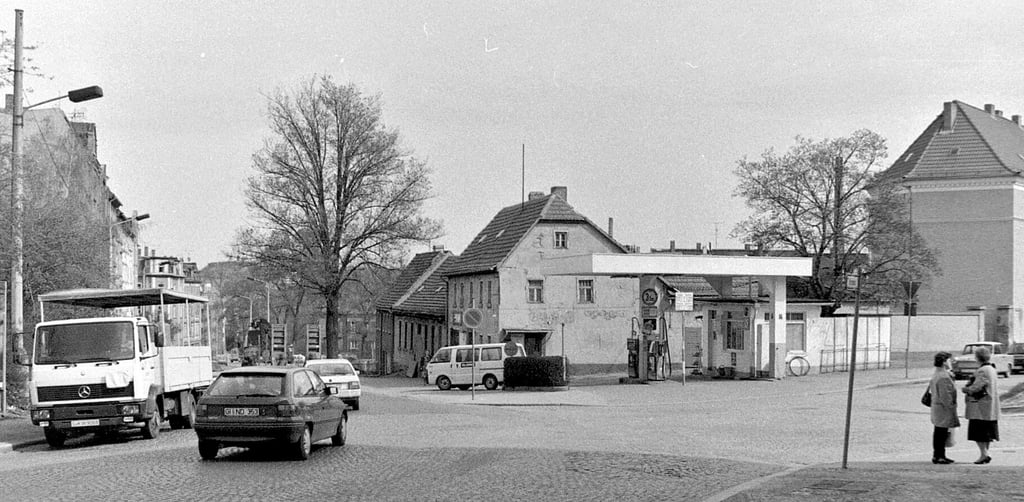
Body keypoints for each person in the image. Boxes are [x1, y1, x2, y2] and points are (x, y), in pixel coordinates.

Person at [963, 346, 1000, 464]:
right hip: (990, 404)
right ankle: (984, 453)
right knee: (987, 433)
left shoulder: (982, 370)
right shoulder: (992, 369)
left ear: (977, 357)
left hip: (980, 406)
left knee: (978, 432)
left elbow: (978, 386)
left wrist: (966, 389)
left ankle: (984, 454)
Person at [929, 352, 959, 464]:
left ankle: (938, 455)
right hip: (943, 408)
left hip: (937, 406)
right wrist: (951, 408)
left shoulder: (938, 374)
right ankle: (939, 455)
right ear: (944, 362)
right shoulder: (943, 376)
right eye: (949, 360)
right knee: (941, 432)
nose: (951, 362)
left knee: (939, 431)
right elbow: (946, 396)